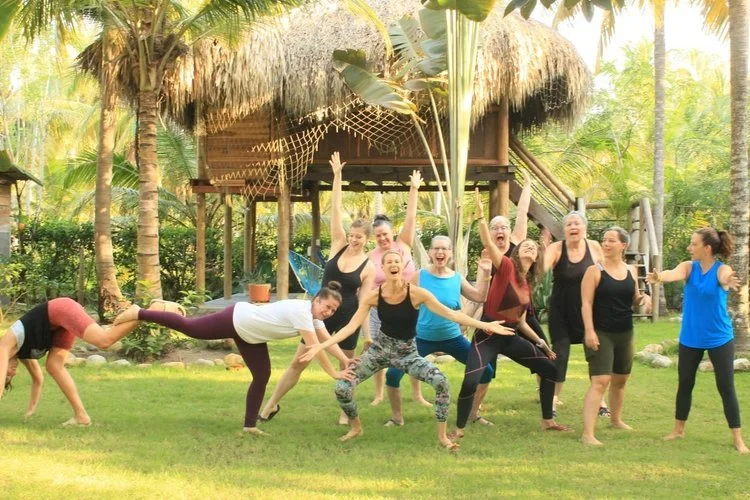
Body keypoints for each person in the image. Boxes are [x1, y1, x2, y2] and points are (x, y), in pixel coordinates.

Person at [300, 250, 514, 450]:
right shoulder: (374, 296)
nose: (393, 264)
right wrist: (321, 345)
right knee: (342, 388)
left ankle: (442, 437)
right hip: (379, 351)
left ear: (403, 267)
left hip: (408, 354)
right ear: (382, 268)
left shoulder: (417, 294)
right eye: (389, 262)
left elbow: (453, 314)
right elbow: (350, 327)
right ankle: (356, 427)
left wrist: (487, 325)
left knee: (441, 381)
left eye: (397, 261)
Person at [114, 283, 355, 436]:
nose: (329, 312)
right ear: (316, 300)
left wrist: (345, 361)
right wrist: (335, 374)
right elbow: (315, 348)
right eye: (328, 306)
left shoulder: (313, 319)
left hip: (251, 335)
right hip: (238, 319)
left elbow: (326, 342)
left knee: (262, 376)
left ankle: (249, 426)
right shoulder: (302, 312)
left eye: (333, 310)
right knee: (192, 328)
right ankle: (140, 312)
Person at [259, 152, 374, 423]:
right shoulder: (338, 245)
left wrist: (366, 334)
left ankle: (345, 412)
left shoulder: (369, 266)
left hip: (346, 318)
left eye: (359, 237)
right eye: (352, 235)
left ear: (366, 239)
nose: (354, 239)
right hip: (319, 314)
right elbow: (334, 211)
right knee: (299, 362)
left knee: (347, 365)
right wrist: (337, 177)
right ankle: (271, 404)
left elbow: (366, 302)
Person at [452, 191, 569, 439]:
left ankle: (547, 420)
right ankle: (459, 429)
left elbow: (522, 321)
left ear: (536, 256)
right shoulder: (505, 267)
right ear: (517, 253)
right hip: (488, 333)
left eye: (532, 247)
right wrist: (482, 219)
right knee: (471, 381)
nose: (528, 247)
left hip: (511, 336)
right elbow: (488, 243)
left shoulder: (527, 285)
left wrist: (541, 343)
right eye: (524, 245)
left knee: (551, 370)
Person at [646, 227, 748, 454]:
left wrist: (728, 280)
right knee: (685, 383)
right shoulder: (689, 267)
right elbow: (674, 273)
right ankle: (678, 429)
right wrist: (659, 277)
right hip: (691, 338)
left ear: (707, 248)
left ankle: (738, 439)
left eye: (693, 244)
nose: (689, 248)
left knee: (726, 387)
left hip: (719, 338)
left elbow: (724, 278)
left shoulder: (722, 269)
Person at [383, 235, 495, 427]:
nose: (440, 252)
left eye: (444, 249)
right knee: (392, 375)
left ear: (450, 253)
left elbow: (480, 296)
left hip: (453, 338)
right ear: (430, 252)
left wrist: (485, 274)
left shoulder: (456, 278)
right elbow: (403, 300)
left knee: (486, 371)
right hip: (422, 339)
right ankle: (397, 418)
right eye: (436, 249)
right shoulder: (420, 276)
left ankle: (473, 414)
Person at [1, 297, 142, 426]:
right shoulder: (21, 352)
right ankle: (81, 416)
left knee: (104, 341)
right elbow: (38, 380)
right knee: (53, 366)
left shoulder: (4, 346)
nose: (12, 373)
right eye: (10, 377)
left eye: (6, 374)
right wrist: (30, 411)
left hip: (59, 309)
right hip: (57, 327)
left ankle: (139, 314)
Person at [580, 227, 652, 445]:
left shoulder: (630, 270)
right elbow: (586, 303)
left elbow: (634, 298)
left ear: (623, 245)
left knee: (620, 380)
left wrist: (644, 300)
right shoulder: (594, 271)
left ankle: (616, 420)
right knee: (600, 381)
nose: (606, 243)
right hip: (602, 332)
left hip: (625, 332)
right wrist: (589, 331)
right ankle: (588, 434)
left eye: (611, 240)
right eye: (604, 240)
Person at [366, 169, 429, 407]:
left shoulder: (403, 244)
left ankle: (417, 393)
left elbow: (411, 218)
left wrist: (414, 188)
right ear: (374, 237)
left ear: (391, 231)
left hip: (410, 304)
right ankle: (380, 393)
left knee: (414, 348)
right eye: (378, 235)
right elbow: (369, 286)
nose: (383, 238)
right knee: (378, 349)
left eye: (385, 233)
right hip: (382, 309)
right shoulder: (371, 257)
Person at [543, 210, 605, 415]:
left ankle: (600, 403)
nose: (573, 228)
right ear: (564, 229)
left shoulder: (595, 247)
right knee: (560, 355)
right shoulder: (556, 248)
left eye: (577, 224)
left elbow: (608, 273)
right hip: (561, 311)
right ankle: (552, 400)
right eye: (569, 224)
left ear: (585, 228)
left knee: (595, 354)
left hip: (590, 311)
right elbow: (540, 269)